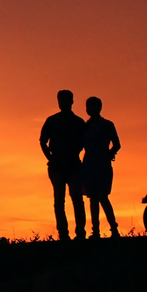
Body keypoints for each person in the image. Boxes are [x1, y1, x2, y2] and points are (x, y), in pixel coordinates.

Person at [40, 90, 87, 240]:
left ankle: (80, 233)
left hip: (73, 164)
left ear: (72, 101)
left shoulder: (78, 122)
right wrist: (50, 157)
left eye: (65, 100)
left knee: (76, 198)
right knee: (59, 200)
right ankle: (63, 234)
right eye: (60, 100)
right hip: (57, 166)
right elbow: (42, 141)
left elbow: (85, 142)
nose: (63, 103)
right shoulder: (52, 120)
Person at [82, 96, 121, 238]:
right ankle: (96, 231)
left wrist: (108, 155)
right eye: (87, 106)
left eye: (91, 106)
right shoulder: (86, 126)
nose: (88, 109)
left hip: (102, 165)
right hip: (89, 165)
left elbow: (117, 144)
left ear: (99, 107)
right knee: (93, 198)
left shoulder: (107, 125)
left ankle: (114, 229)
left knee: (102, 197)